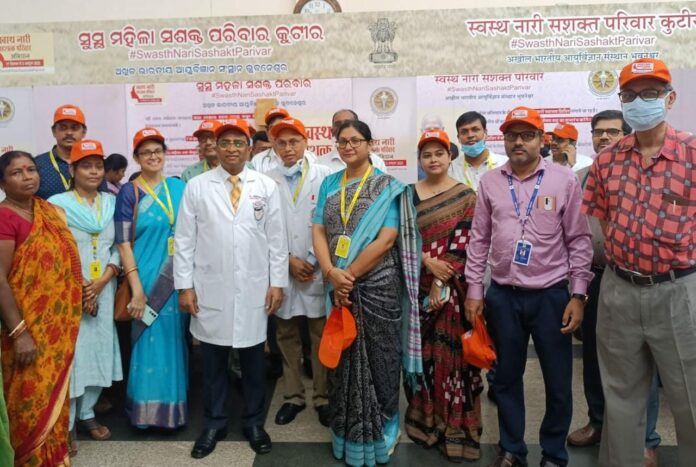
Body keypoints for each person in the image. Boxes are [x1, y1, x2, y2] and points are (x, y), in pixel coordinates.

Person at [582, 58, 696, 467]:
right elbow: (604, 221)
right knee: (621, 399)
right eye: (630, 95)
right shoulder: (606, 161)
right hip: (619, 291)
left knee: (690, 399)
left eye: (650, 94)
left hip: (678, 292)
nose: (639, 102)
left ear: (670, 98)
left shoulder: (692, 153)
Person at [464, 106, 593, 467]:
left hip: (551, 296)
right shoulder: (490, 182)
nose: (518, 142)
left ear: (541, 139)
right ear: (503, 140)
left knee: (558, 381)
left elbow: (579, 239)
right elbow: (479, 239)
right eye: (511, 135)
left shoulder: (564, 180)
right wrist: (474, 290)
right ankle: (511, 449)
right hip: (503, 296)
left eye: (527, 135)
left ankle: (554, 454)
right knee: (505, 378)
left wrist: (578, 294)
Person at [174, 118, 287, 458]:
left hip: (254, 287)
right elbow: (184, 241)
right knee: (212, 363)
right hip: (210, 288)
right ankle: (214, 423)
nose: (232, 149)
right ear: (215, 148)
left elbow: (276, 240)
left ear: (249, 148)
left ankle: (254, 422)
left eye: (239, 143)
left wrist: (277, 282)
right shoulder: (197, 187)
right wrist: (185, 286)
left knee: (254, 364)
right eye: (225, 143)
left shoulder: (265, 186)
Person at [312, 120, 421, 466]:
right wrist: (331, 273)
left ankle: (387, 424)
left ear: (370, 144)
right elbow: (317, 229)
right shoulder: (329, 183)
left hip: (378, 285)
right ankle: (346, 431)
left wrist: (348, 275)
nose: (348, 147)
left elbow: (387, 239)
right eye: (342, 141)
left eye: (355, 140)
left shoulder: (388, 186)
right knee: (344, 357)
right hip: (339, 283)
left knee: (382, 356)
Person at [569, 110, 662, 461]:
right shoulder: (578, 178)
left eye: (612, 132)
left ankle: (645, 439)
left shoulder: (642, 173)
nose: (604, 137)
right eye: (598, 132)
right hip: (593, 279)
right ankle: (598, 422)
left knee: (640, 362)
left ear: (627, 135)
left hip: (636, 279)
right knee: (594, 359)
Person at [405, 129, 483, 462]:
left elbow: (466, 243)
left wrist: (441, 281)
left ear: (450, 156)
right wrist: (426, 261)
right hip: (416, 289)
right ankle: (425, 420)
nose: (433, 159)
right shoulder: (408, 195)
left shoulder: (466, 196)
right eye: (427, 154)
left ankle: (455, 427)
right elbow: (404, 239)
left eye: (439, 153)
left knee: (453, 361)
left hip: (453, 293)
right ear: (420, 160)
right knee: (422, 359)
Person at [0, 150, 83, 465]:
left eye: (31, 170)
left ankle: (55, 456)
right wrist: (20, 333)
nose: (27, 177)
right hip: (22, 329)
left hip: (55, 330)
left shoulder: (50, 212)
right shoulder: (4, 217)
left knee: (54, 393)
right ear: (2, 183)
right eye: (16, 172)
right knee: (27, 398)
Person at [48, 140, 123, 453]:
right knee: (74, 355)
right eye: (86, 166)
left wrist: (102, 281)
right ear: (72, 169)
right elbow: (54, 251)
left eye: (98, 166)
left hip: (104, 288)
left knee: (99, 350)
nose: (93, 171)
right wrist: (82, 287)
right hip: (70, 291)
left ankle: (88, 412)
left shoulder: (112, 202)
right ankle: (65, 423)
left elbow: (119, 247)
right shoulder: (56, 204)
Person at [115, 128, 188, 430]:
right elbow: (123, 244)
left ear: (165, 153)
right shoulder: (129, 192)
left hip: (177, 278)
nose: (153, 156)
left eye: (157, 150)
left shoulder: (179, 188)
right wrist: (136, 289)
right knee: (147, 341)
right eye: (146, 152)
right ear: (136, 157)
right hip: (144, 279)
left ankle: (172, 411)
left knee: (174, 340)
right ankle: (145, 414)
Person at [265, 118, 332, 427]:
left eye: (294, 141)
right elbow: (264, 229)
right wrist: (288, 262)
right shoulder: (265, 180)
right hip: (284, 269)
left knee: (320, 335)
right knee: (286, 334)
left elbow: (332, 221)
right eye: (281, 143)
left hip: (317, 267)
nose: (288, 148)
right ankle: (293, 396)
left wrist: (314, 259)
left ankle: (323, 397)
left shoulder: (325, 176)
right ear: (274, 147)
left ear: (306, 142)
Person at [35, 104, 88, 199]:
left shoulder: (93, 165)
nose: (69, 133)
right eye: (63, 128)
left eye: (74, 128)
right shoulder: (37, 164)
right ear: (54, 131)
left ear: (84, 132)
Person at [449, 111, 507, 191]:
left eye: (475, 130)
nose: (470, 135)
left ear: (485, 133)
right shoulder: (451, 169)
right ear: (458, 138)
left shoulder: (505, 164)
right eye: (464, 132)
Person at [318, 109, 388, 173]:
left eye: (347, 123)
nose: (343, 127)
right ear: (332, 131)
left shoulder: (376, 162)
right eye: (338, 124)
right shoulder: (320, 163)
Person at [251, 107, 290, 173]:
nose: (277, 132)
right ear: (267, 132)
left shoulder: (306, 157)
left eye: (281, 127)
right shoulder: (258, 161)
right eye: (273, 128)